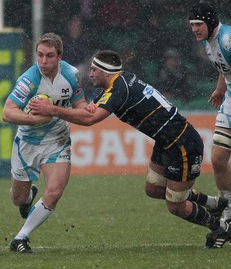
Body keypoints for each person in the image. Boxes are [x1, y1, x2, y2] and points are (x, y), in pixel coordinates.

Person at [29, 49, 229, 249]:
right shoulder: (120, 82)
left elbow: (90, 119)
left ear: (105, 72)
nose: (90, 74)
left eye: (93, 70)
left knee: (176, 205)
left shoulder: (119, 89)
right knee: (153, 189)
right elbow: (90, 110)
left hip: (182, 144)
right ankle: (213, 203)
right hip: (165, 141)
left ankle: (220, 227)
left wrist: (52, 110)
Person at [2, 32, 86, 253]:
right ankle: (29, 196)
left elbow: (80, 106)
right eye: (40, 55)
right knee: (18, 198)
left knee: (55, 192)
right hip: (27, 143)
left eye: (49, 56)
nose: (43, 61)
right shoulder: (28, 80)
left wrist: (88, 109)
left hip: (57, 141)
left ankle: (21, 237)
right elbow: (7, 113)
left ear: (60, 56)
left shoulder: (71, 75)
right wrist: (36, 119)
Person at [188, 2, 231, 243]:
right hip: (229, 101)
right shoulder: (209, 41)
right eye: (192, 24)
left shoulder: (227, 40)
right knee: (217, 158)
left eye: (198, 24)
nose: (194, 29)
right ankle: (229, 208)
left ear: (211, 22)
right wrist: (219, 89)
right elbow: (225, 68)